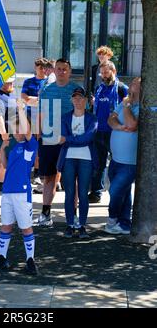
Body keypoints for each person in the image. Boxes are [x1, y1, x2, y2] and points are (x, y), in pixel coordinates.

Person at [0, 100, 38, 275]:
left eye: (19, 128)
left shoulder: (30, 145)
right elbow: (5, 166)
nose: (17, 132)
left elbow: (26, 132)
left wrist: (20, 109)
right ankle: (2, 258)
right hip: (7, 192)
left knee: (26, 227)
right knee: (6, 226)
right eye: (15, 128)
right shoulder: (13, 147)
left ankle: (30, 260)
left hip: (21, 193)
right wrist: (2, 150)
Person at [35, 58, 80, 227]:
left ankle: (72, 215)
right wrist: (38, 135)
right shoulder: (47, 90)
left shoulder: (76, 90)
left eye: (64, 69)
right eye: (58, 69)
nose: (61, 72)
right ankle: (45, 213)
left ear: (69, 71)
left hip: (69, 141)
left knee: (71, 179)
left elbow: (81, 115)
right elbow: (40, 114)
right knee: (49, 178)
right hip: (48, 139)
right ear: (54, 70)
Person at [57, 87, 98, 239]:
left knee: (83, 194)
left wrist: (69, 139)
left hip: (86, 158)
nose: (78, 100)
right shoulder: (65, 117)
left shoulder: (92, 119)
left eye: (81, 98)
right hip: (68, 158)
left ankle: (82, 226)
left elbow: (88, 138)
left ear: (86, 100)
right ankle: (69, 225)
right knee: (69, 193)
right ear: (71, 100)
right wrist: (74, 139)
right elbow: (61, 137)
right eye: (75, 98)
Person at [104, 77, 141, 235]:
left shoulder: (139, 106)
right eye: (132, 82)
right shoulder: (125, 102)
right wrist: (119, 126)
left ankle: (112, 220)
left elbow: (132, 125)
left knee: (116, 190)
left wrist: (126, 105)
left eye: (135, 83)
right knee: (124, 192)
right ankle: (124, 223)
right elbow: (110, 119)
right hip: (115, 159)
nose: (131, 84)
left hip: (129, 162)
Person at [88, 61, 128, 203]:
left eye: (106, 72)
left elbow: (129, 108)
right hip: (99, 131)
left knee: (117, 164)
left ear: (114, 71)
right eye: (102, 73)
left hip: (115, 133)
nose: (104, 75)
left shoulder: (122, 88)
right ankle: (96, 193)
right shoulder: (99, 88)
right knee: (98, 164)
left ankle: (117, 194)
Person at [21, 58, 47, 184]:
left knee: (40, 145)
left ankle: (38, 172)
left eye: (44, 67)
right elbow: (24, 98)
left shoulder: (48, 82)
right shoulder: (29, 81)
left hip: (44, 117)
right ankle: (29, 172)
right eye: (40, 67)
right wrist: (38, 100)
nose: (42, 69)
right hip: (30, 116)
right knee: (30, 144)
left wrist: (34, 100)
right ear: (35, 67)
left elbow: (48, 100)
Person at [0, 77, 17, 191]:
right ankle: (1, 183)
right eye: (7, 82)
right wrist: (4, 134)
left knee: (0, 156)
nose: (10, 84)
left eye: (11, 82)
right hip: (4, 132)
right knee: (6, 157)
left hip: (6, 131)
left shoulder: (8, 95)